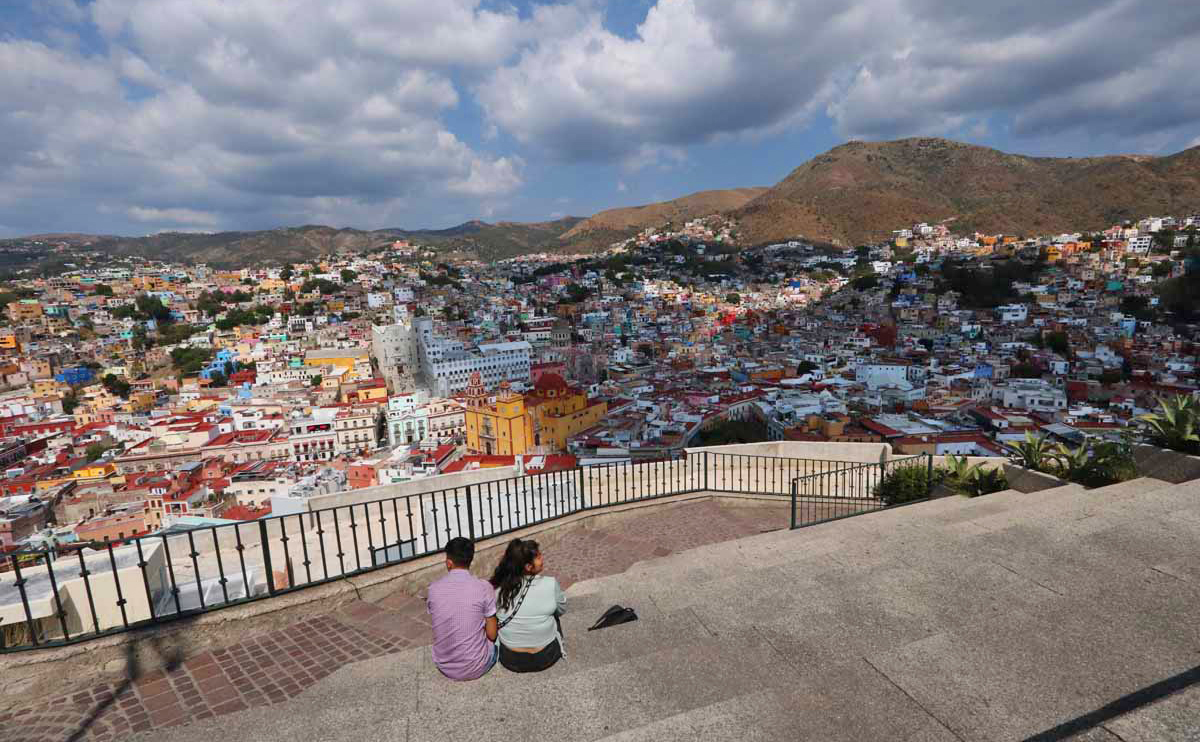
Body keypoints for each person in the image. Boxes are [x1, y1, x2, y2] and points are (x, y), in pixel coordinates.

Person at [489, 538, 566, 673]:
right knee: (554, 611)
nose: (542, 558)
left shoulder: (498, 591)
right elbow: (562, 609)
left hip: (510, 659)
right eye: (538, 557)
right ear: (528, 567)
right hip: (546, 657)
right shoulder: (550, 583)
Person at [426, 537, 498, 680]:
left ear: (449, 563)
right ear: (470, 560)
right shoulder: (483, 587)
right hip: (478, 666)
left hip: (444, 666)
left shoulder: (433, 589)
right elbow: (492, 635)